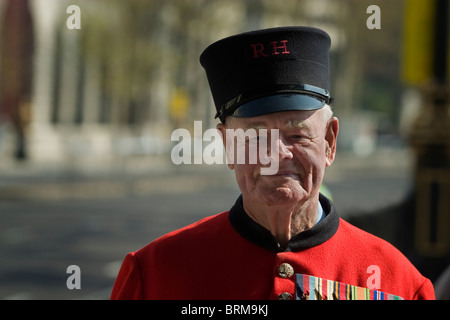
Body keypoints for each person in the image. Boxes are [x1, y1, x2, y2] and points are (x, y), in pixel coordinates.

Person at [110, 26, 435, 300]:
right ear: (228, 146)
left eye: (297, 136)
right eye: (255, 137)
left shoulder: (399, 283)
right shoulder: (155, 275)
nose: (277, 154)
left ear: (330, 142)